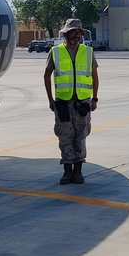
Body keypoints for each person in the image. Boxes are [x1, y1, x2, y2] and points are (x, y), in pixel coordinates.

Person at [43, 18, 98, 185]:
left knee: (81, 136)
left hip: (82, 102)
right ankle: (67, 171)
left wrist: (94, 98)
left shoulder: (88, 52)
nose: (76, 35)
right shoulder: (55, 51)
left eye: (79, 32)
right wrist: (50, 99)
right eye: (73, 32)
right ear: (66, 34)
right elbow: (47, 75)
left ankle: (78, 171)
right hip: (63, 103)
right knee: (65, 136)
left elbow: (95, 76)